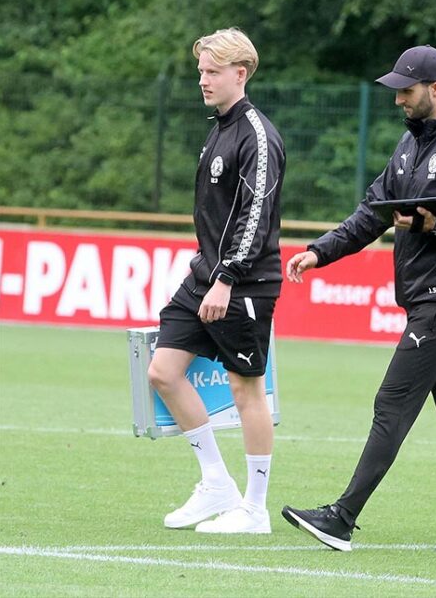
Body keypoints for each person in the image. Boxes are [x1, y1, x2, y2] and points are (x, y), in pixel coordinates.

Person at [280, 45, 436, 554]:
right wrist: (320, 252)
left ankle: (342, 518)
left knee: (393, 401)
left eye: (406, 92)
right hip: (428, 297)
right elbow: (372, 213)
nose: (398, 101)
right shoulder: (409, 146)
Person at [147, 27, 286, 534]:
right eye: (200, 70)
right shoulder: (220, 127)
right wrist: (210, 273)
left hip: (243, 282)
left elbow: (256, 214)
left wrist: (226, 277)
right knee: (162, 370)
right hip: (204, 276)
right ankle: (216, 486)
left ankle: (254, 508)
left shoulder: (256, 134)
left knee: (246, 388)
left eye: (211, 71)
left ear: (240, 74)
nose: (202, 79)